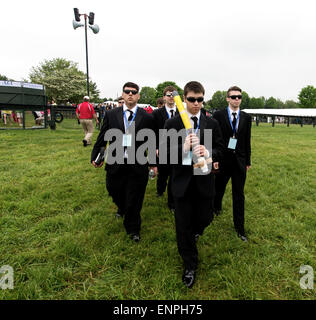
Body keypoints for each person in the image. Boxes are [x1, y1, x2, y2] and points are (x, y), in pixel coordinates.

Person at [164, 81, 224, 288]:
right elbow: (164, 155)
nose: (196, 103)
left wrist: (208, 153)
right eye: (191, 99)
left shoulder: (211, 123)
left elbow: (220, 149)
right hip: (182, 182)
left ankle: (195, 232)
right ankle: (190, 264)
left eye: (200, 100)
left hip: (204, 179)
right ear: (185, 99)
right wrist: (184, 147)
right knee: (183, 226)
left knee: (205, 218)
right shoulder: (173, 124)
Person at [91, 82, 157, 242]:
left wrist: (153, 164)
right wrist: (96, 156)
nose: (130, 94)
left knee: (135, 198)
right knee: (113, 189)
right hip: (115, 161)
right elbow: (102, 137)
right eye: (127, 91)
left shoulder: (147, 117)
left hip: (138, 164)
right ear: (122, 94)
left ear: (138, 96)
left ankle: (133, 229)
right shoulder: (112, 114)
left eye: (133, 92)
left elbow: (152, 142)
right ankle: (122, 206)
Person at [213, 86, 252, 242]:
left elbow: (247, 140)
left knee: (239, 195)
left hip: (239, 162)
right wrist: (214, 160)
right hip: (222, 160)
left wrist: (247, 161)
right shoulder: (218, 115)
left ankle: (240, 228)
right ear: (227, 99)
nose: (237, 99)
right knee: (218, 188)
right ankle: (215, 208)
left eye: (239, 97)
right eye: (233, 96)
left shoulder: (246, 117)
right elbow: (215, 139)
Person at [152, 86, 178, 212]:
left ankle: (172, 203)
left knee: (174, 175)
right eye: (168, 95)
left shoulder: (182, 113)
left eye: (173, 95)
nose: (171, 97)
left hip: (176, 148)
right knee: (163, 173)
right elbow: (153, 133)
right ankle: (160, 190)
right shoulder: (157, 113)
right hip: (161, 148)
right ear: (164, 97)